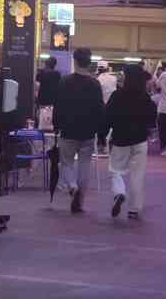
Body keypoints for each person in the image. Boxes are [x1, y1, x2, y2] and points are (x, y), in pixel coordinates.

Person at [53, 48, 105, 213]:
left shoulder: (64, 81)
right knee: (84, 165)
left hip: (68, 129)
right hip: (88, 131)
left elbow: (58, 106)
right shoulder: (95, 84)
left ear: (74, 61)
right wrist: (100, 132)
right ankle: (80, 202)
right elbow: (100, 110)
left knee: (66, 162)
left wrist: (56, 125)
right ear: (89, 63)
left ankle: (72, 186)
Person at [105, 65, 157, 220]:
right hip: (140, 140)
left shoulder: (117, 95)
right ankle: (135, 208)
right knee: (137, 175)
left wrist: (104, 134)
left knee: (116, 169)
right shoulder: (146, 98)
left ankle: (119, 193)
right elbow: (151, 121)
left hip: (120, 139)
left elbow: (108, 116)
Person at [97, 61, 118, 155]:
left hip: (102, 105)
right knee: (112, 126)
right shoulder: (114, 78)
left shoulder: (98, 79)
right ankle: (110, 145)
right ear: (107, 68)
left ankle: (101, 145)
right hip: (113, 105)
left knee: (101, 127)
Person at [36, 56, 62, 130]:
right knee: (50, 120)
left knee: (41, 119)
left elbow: (37, 86)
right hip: (53, 101)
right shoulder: (57, 74)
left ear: (46, 63)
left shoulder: (41, 73)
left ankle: (41, 130)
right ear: (54, 65)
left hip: (42, 100)